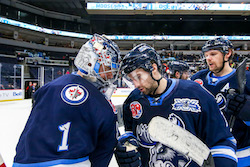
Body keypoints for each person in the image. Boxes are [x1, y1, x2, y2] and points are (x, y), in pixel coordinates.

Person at [115, 43, 237, 167]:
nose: (135, 84)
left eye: (139, 77)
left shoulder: (195, 93)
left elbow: (222, 140)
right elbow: (131, 136)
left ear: (153, 68)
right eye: (132, 79)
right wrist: (126, 151)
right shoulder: (133, 100)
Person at [13, 34, 121, 167]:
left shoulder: (47, 88)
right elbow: (103, 151)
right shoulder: (102, 104)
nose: (111, 75)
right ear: (90, 61)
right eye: (108, 68)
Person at [191, 37, 250, 167]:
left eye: (213, 54)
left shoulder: (247, 79)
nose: (208, 59)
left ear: (227, 53)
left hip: (241, 153)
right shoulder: (197, 79)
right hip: (205, 152)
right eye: (206, 55)